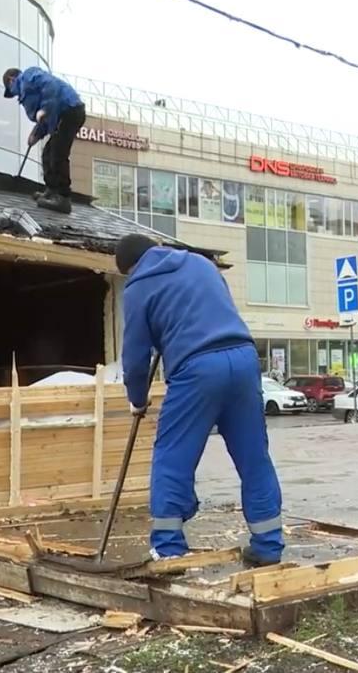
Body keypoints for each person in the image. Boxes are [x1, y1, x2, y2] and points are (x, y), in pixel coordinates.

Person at [116, 233, 284, 565]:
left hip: (197, 368)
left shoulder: (137, 287)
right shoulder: (201, 263)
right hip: (244, 358)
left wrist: (137, 399)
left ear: (130, 268)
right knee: (254, 458)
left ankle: (168, 549)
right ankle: (268, 546)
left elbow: (134, 358)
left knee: (171, 456)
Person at [2, 66, 85, 214]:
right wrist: (36, 134)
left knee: (58, 154)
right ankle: (52, 189)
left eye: (12, 91)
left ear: (11, 80)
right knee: (47, 153)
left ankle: (63, 198)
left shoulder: (28, 76)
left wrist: (45, 108)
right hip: (62, 115)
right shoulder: (26, 87)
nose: (15, 95)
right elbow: (44, 120)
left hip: (70, 111)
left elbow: (50, 85)